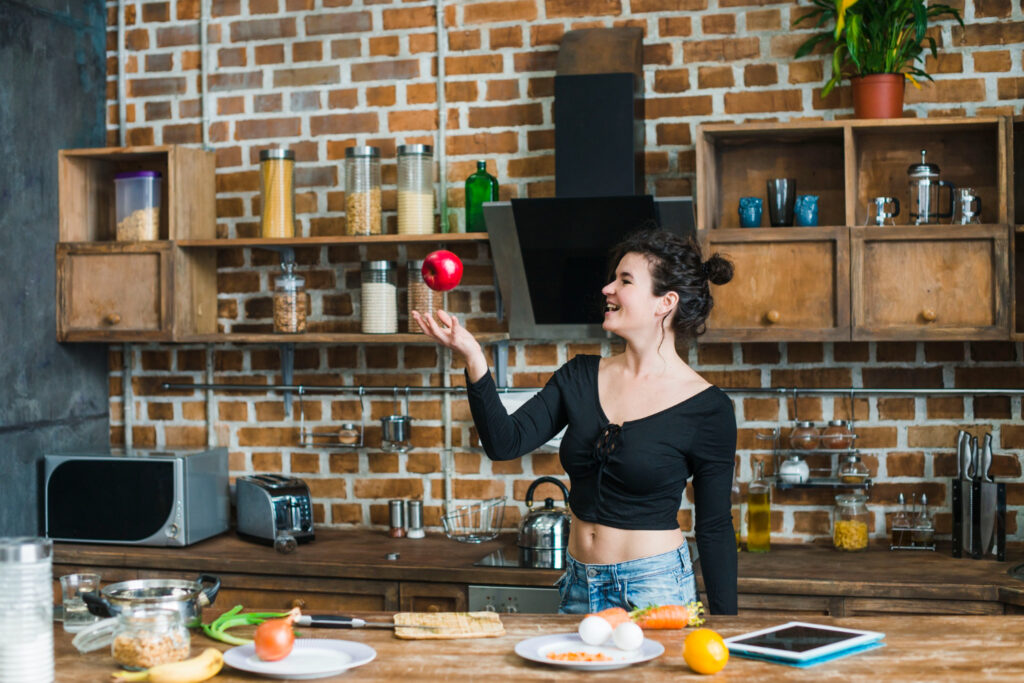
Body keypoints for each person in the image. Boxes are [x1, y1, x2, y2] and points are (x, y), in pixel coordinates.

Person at [411, 229, 738, 615]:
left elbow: (714, 528)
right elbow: (504, 443)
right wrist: (473, 357)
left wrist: (726, 627)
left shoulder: (707, 408)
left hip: (656, 588)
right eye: (613, 278)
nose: (607, 289)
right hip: (580, 583)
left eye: (625, 281)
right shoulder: (579, 376)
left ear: (664, 303)